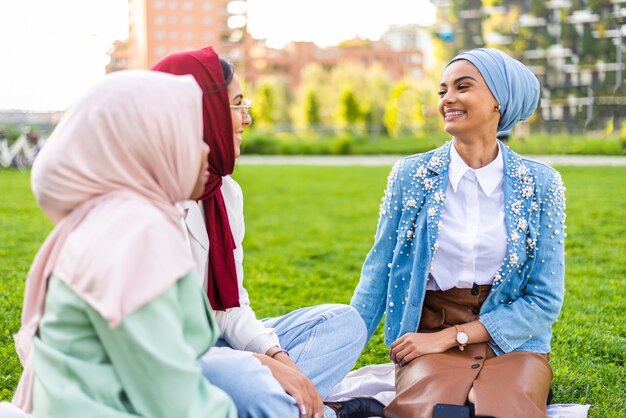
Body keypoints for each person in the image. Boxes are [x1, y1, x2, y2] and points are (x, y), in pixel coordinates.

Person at [151, 46, 383, 418]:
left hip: (217, 342)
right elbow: (157, 338)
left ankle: (281, 403)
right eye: (238, 104)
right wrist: (261, 367)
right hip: (167, 355)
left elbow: (230, 307)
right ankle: (303, 407)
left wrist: (275, 355)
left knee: (344, 324)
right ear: (201, 111)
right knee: (245, 381)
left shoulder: (224, 192)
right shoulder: (143, 200)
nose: (247, 118)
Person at [351, 48, 566, 418]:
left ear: (500, 101)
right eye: (442, 91)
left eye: (462, 87)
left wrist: (452, 337)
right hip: (426, 338)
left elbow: (544, 300)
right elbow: (378, 275)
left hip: (513, 343)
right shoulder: (410, 176)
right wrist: (335, 353)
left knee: (506, 410)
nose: (447, 98)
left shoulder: (541, 184)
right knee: (437, 411)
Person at [11, 70, 236, 417]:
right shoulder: (135, 233)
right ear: (149, 145)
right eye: (192, 135)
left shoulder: (117, 218)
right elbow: (178, 404)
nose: (207, 150)